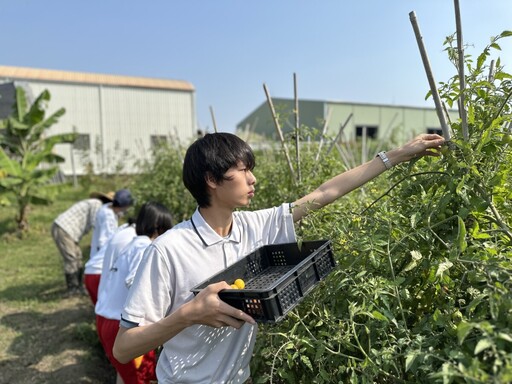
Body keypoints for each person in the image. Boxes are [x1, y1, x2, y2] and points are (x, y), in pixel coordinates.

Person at [113, 132, 445, 383]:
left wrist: (396, 155)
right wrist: (188, 314)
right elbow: (124, 348)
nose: (253, 179)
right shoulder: (169, 250)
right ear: (212, 180)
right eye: (243, 171)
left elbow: (323, 194)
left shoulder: (255, 226)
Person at [95, 201, 173, 384]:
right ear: (158, 228)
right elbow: (134, 282)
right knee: (139, 377)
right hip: (121, 327)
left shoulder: (132, 244)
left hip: (105, 318)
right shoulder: (144, 247)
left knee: (126, 376)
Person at [51, 191, 114, 296]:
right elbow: (96, 224)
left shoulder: (96, 204)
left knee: (78, 257)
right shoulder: (97, 204)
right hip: (64, 228)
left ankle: (79, 286)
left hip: (69, 231)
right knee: (71, 258)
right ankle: (72, 288)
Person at [85, 188, 134, 304]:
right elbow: (104, 240)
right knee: (103, 301)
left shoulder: (106, 209)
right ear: (124, 206)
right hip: (100, 265)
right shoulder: (108, 216)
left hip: (94, 263)